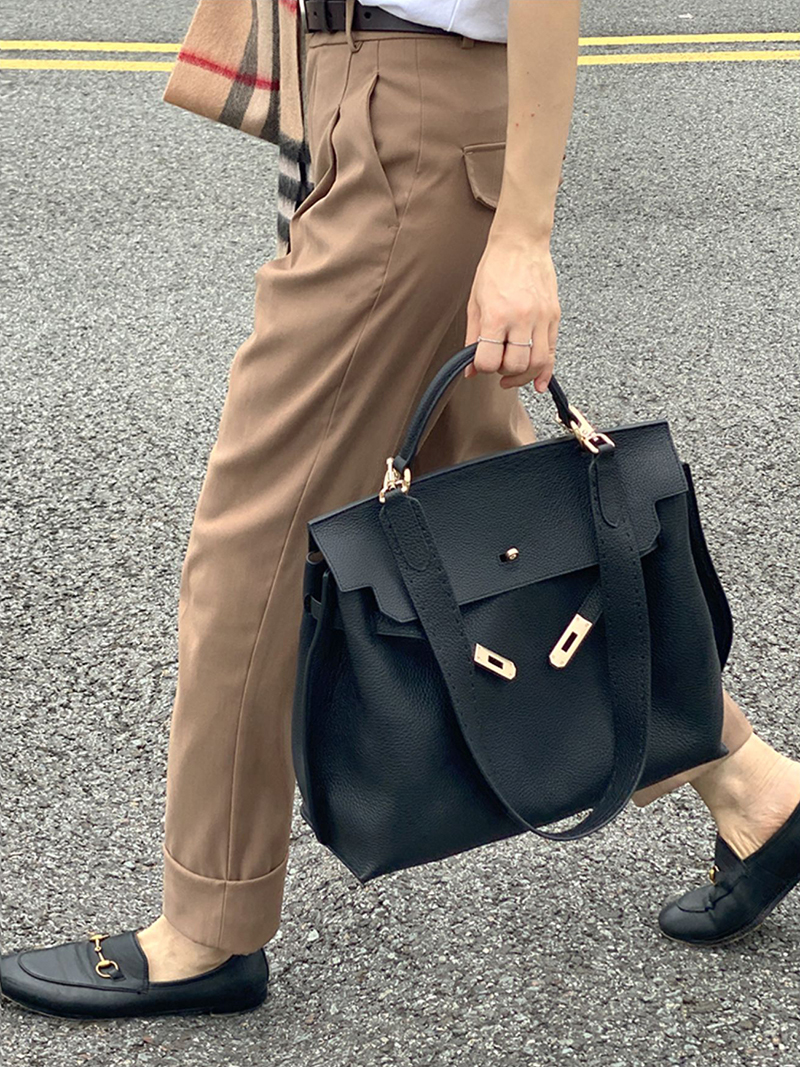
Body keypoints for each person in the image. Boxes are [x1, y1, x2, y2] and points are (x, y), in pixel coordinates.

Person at [3, 0, 800, 1021]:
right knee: (499, 530)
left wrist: (524, 237)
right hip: (386, 111)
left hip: (411, 130)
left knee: (253, 549)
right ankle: (751, 787)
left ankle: (205, 929)